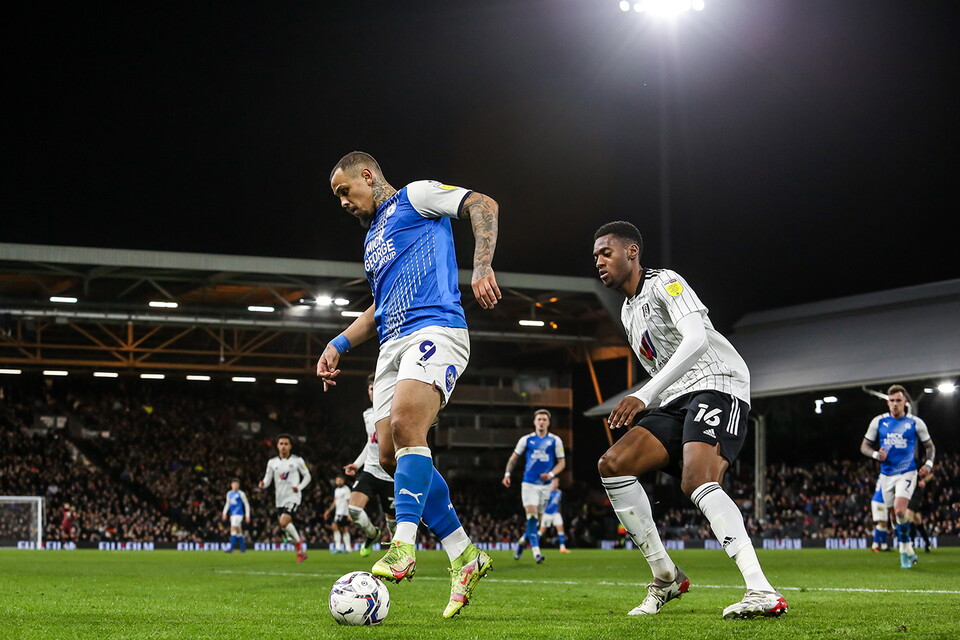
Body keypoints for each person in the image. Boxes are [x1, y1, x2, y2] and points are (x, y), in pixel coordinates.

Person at [318, 151, 500, 619]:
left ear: (367, 175)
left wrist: (481, 266)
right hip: (391, 343)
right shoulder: (372, 242)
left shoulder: (416, 197)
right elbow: (378, 308)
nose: (343, 202)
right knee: (387, 455)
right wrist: (338, 343)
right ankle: (465, 554)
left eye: (345, 191)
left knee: (405, 425)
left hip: (435, 328)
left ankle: (403, 544)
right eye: (337, 197)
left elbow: (483, 204)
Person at [592, 220, 787, 620]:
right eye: (595, 256)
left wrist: (643, 395)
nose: (599, 261)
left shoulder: (665, 282)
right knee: (613, 464)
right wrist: (653, 397)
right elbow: (662, 365)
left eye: (606, 252)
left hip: (718, 382)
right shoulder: (628, 312)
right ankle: (665, 576)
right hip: (675, 398)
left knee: (696, 479)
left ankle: (762, 590)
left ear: (632, 252)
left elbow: (696, 340)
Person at [860, 384, 936, 569]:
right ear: (888, 403)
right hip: (886, 474)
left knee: (900, 511)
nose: (895, 404)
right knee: (893, 517)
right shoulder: (878, 422)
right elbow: (864, 446)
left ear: (905, 402)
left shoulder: (915, 423)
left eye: (898, 400)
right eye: (892, 400)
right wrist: (876, 455)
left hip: (907, 472)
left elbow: (930, 447)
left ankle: (903, 551)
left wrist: (928, 464)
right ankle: (908, 547)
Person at [343, 373, 397, 558]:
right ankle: (373, 534)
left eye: (377, 387)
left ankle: (395, 552)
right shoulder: (367, 414)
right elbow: (370, 442)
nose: (374, 391)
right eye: (371, 388)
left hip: (390, 473)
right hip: (371, 471)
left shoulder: (395, 412)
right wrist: (357, 464)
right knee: (354, 509)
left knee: (393, 522)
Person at [502, 408, 566, 563]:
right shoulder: (526, 440)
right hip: (529, 484)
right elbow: (513, 458)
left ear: (548, 423)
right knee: (531, 517)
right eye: (539, 419)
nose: (541, 422)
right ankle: (537, 553)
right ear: (534, 422)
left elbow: (562, 462)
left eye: (544, 419)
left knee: (536, 522)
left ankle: (522, 542)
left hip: (546, 486)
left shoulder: (555, 440)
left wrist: (551, 475)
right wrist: (507, 474)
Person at [259, 433, 312, 563]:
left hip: (293, 496)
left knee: (283, 522)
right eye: (281, 444)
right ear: (277, 446)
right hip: (279, 499)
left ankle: (299, 544)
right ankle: (300, 552)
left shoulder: (297, 460)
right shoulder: (272, 462)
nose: (283, 446)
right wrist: (263, 484)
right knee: (286, 528)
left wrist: (299, 487)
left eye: (286, 444)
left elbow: (307, 476)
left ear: (290, 446)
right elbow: (267, 479)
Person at [906, 467, 935, 553]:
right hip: (910, 496)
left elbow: (931, 474)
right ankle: (927, 543)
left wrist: (924, 481)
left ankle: (911, 543)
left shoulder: (916, 472)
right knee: (918, 522)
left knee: (910, 518)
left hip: (914, 497)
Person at [539, 476, 569, 553]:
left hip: (556, 513)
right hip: (547, 514)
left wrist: (560, 512)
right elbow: (542, 503)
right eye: (554, 482)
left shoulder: (559, 492)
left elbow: (559, 504)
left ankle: (562, 548)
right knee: (541, 531)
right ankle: (533, 545)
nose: (556, 484)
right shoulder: (547, 492)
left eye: (557, 483)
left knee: (560, 528)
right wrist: (541, 514)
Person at [324, 475, 353, 553]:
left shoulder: (346, 489)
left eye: (339, 480)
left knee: (335, 526)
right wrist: (328, 511)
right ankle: (347, 548)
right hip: (338, 512)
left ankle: (338, 547)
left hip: (343, 512)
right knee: (344, 529)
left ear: (343, 481)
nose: (337, 482)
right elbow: (335, 502)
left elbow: (349, 501)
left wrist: (350, 513)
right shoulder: (336, 490)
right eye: (337, 480)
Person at [221, 477, 251, 553]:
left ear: (239, 485)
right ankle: (243, 549)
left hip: (239, 514)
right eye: (234, 484)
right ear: (231, 485)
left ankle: (231, 548)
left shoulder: (241, 493)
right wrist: (224, 513)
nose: (235, 486)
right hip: (232, 515)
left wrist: (247, 516)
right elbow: (227, 503)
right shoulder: (229, 493)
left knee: (233, 529)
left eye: (236, 485)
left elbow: (246, 504)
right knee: (238, 532)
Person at [869, 480, 891, 552]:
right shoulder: (889, 476)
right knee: (882, 524)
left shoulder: (882, 476)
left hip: (879, 500)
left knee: (884, 524)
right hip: (880, 501)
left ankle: (884, 546)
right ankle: (875, 545)